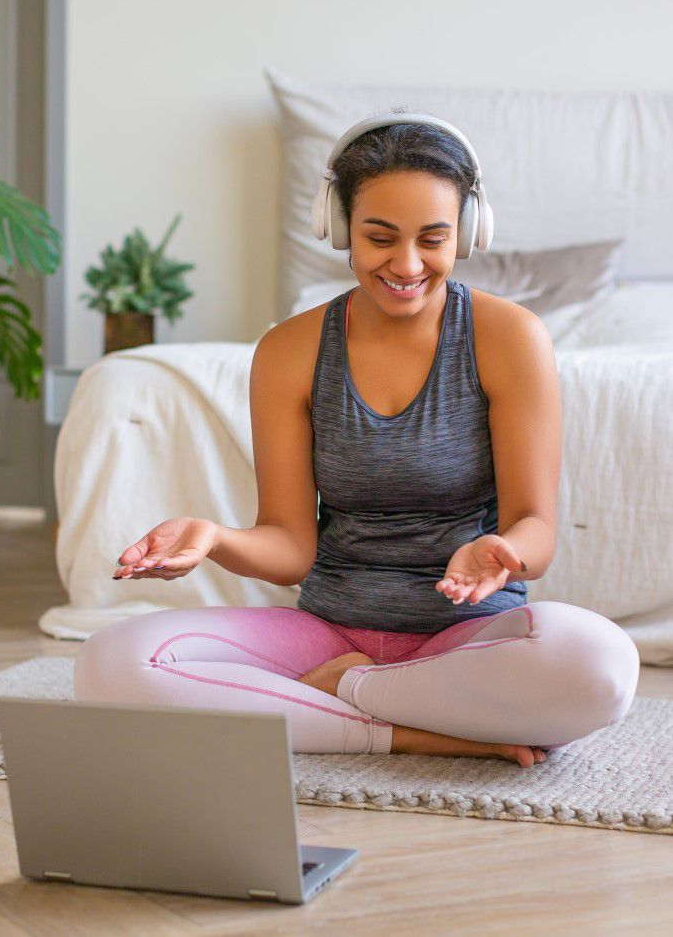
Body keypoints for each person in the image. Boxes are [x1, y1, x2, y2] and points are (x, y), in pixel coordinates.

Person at [73, 109, 640, 769]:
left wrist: (503, 549)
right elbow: (289, 546)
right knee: (109, 665)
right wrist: (215, 538)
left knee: (600, 667)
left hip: (466, 641)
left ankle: (343, 694)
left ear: (467, 233)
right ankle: (407, 731)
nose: (406, 264)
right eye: (380, 237)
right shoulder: (290, 350)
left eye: (433, 239)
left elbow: (535, 529)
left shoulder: (508, 337)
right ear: (339, 226)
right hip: (325, 629)